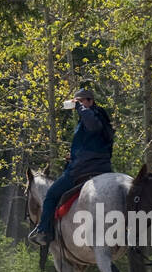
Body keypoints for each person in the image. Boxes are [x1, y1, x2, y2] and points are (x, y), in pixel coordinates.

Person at [27, 89, 115, 247]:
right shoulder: (101, 115)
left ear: (89, 101)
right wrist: (73, 156)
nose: (78, 105)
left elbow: (93, 126)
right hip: (103, 166)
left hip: (82, 169)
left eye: (80, 101)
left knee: (51, 195)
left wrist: (79, 107)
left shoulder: (90, 115)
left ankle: (44, 231)